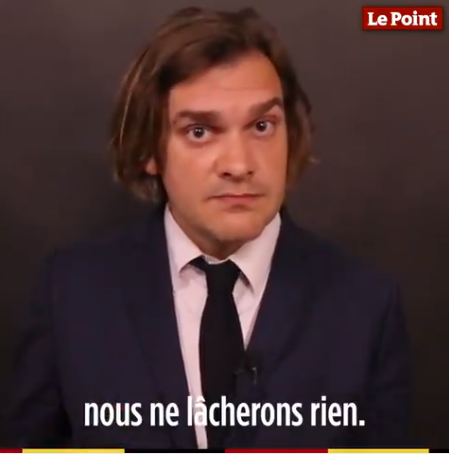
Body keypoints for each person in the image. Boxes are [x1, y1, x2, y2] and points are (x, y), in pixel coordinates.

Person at [7, 6, 412, 449]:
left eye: (262, 126)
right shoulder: (70, 293)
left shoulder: (366, 306)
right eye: (200, 131)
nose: (239, 165)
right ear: (149, 150)